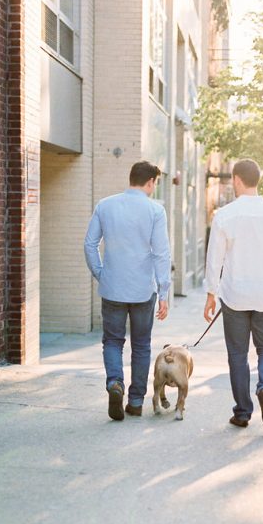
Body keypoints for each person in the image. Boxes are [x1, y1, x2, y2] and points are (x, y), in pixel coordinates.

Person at [203, 159, 263, 430]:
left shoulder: (225, 215)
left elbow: (214, 259)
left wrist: (211, 293)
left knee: (238, 354)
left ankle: (242, 412)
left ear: (237, 180)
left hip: (235, 295)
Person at [84, 161, 171, 421]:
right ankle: (134, 402)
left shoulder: (105, 205)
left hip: (112, 288)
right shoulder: (155, 210)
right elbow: (161, 254)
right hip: (143, 290)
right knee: (141, 345)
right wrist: (164, 291)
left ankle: (114, 384)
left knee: (112, 341)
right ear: (150, 182)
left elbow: (90, 245)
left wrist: (101, 273)